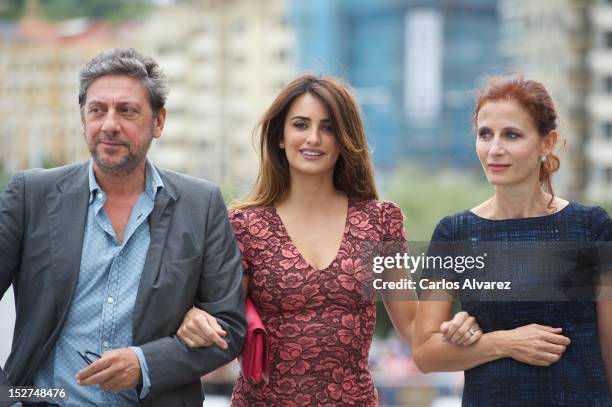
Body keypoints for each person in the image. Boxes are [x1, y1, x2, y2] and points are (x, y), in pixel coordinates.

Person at [176, 74, 482, 405]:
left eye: (328, 127)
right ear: (280, 136)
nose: (313, 138)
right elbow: (227, 326)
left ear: (344, 139)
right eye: (301, 125)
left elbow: (411, 325)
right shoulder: (245, 226)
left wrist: (456, 328)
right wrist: (192, 317)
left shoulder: (379, 222)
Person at [0, 48, 246, 407]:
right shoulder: (31, 195)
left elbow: (230, 326)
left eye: (127, 111)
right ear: (83, 120)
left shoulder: (201, 204)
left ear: (159, 122)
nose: (110, 124)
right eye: (97, 110)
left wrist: (145, 364)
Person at [413, 75, 612, 406]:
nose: (495, 149)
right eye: (485, 134)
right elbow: (425, 353)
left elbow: (610, 346)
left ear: (547, 143)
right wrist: (503, 342)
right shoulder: (455, 233)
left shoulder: (591, 226)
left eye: (512, 135)